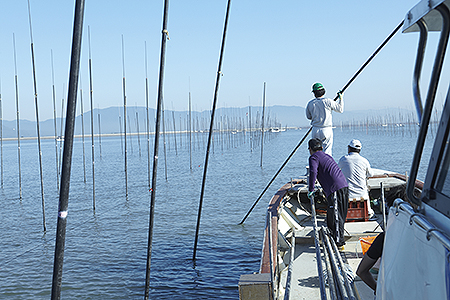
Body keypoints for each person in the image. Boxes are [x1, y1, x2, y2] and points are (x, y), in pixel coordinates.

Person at [308, 138, 349, 247]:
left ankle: (339, 243)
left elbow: (313, 172)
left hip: (335, 189)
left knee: (336, 217)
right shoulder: (327, 156)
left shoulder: (314, 157)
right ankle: (334, 237)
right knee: (334, 215)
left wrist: (311, 189)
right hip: (343, 186)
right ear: (321, 148)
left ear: (310, 149)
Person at [338, 139, 375, 219]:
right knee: (366, 191)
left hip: (348, 194)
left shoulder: (343, 159)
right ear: (359, 150)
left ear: (349, 148)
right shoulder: (364, 161)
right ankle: (368, 212)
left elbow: (338, 171)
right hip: (362, 194)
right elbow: (370, 174)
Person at [306, 82, 344, 156]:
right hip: (326, 129)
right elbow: (340, 109)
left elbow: (309, 117)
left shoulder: (310, 103)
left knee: (315, 152)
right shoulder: (328, 101)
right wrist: (341, 99)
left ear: (314, 93)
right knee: (327, 152)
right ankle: (326, 166)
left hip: (315, 129)